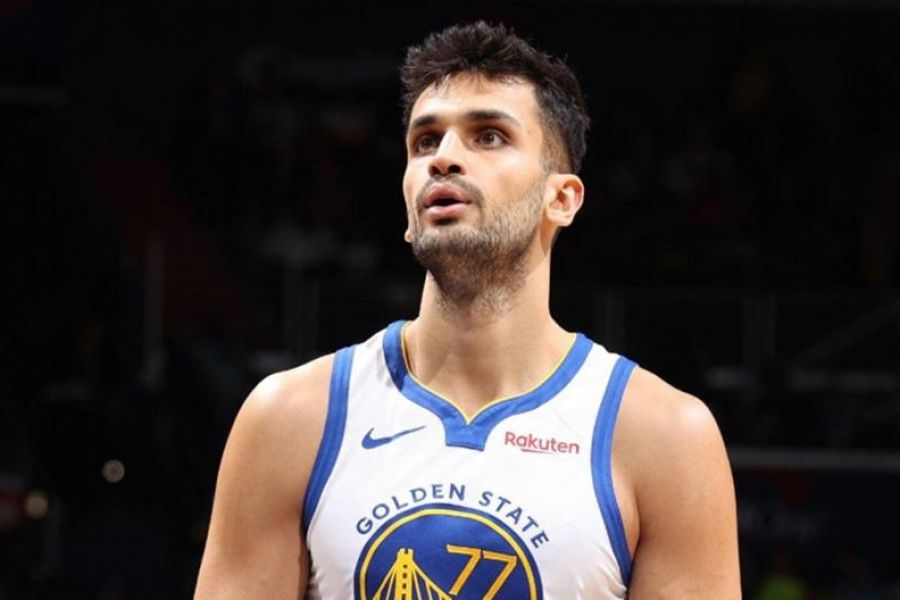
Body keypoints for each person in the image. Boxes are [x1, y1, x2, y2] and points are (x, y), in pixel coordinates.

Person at [195, 22, 740, 599]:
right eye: (425, 141)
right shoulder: (290, 419)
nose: (445, 158)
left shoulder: (665, 438)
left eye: (489, 136)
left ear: (561, 198)